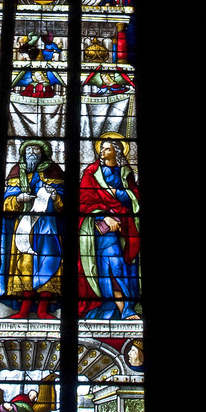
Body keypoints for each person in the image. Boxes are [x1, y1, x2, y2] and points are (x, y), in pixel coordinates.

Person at [78, 133, 141, 320]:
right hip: (99, 228)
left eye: (107, 149)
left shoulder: (125, 174)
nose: (102, 152)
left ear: (117, 152)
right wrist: (105, 216)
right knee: (112, 262)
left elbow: (135, 200)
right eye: (101, 148)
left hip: (126, 226)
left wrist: (118, 193)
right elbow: (83, 202)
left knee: (124, 265)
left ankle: (124, 307)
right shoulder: (91, 173)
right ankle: (119, 307)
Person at [1, 139, 65, 319]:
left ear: (42, 152)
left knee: (49, 264)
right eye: (28, 149)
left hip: (48, 228)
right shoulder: (15, 174)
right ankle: (23, 310)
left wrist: (55, 196)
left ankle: (43, 310)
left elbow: (65, 204)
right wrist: (18, 200)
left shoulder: (54, 172)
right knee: (25, 266)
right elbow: (6, 204)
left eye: (35, 149)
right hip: (25, 228)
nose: (31, 152)